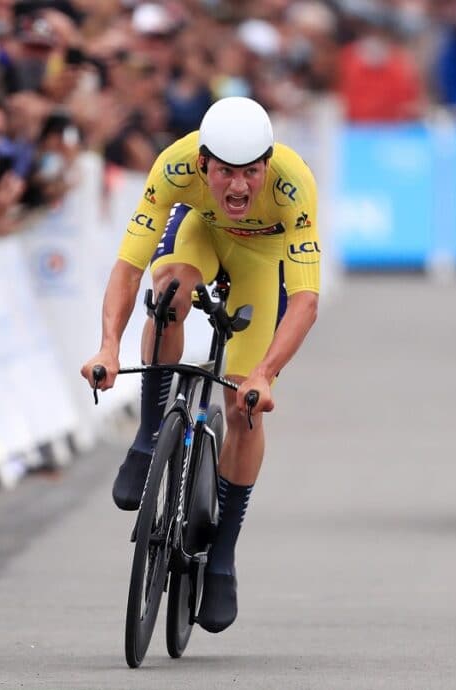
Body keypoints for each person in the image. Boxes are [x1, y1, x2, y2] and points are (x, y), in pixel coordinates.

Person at [80, 97, 320, 634]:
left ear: (267, 164)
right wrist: (107, 347)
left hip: (263, 262)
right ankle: (147, 439)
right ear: (203, 163)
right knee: (168, 295)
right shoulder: (174, 164)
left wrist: (262, 375)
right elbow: (129, 265)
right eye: (226, 173)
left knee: (245, 408)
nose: (238, 187)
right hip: (200, 236)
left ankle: (222, 557)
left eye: (251, 173)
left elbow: (304, 302)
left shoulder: (292, 185)